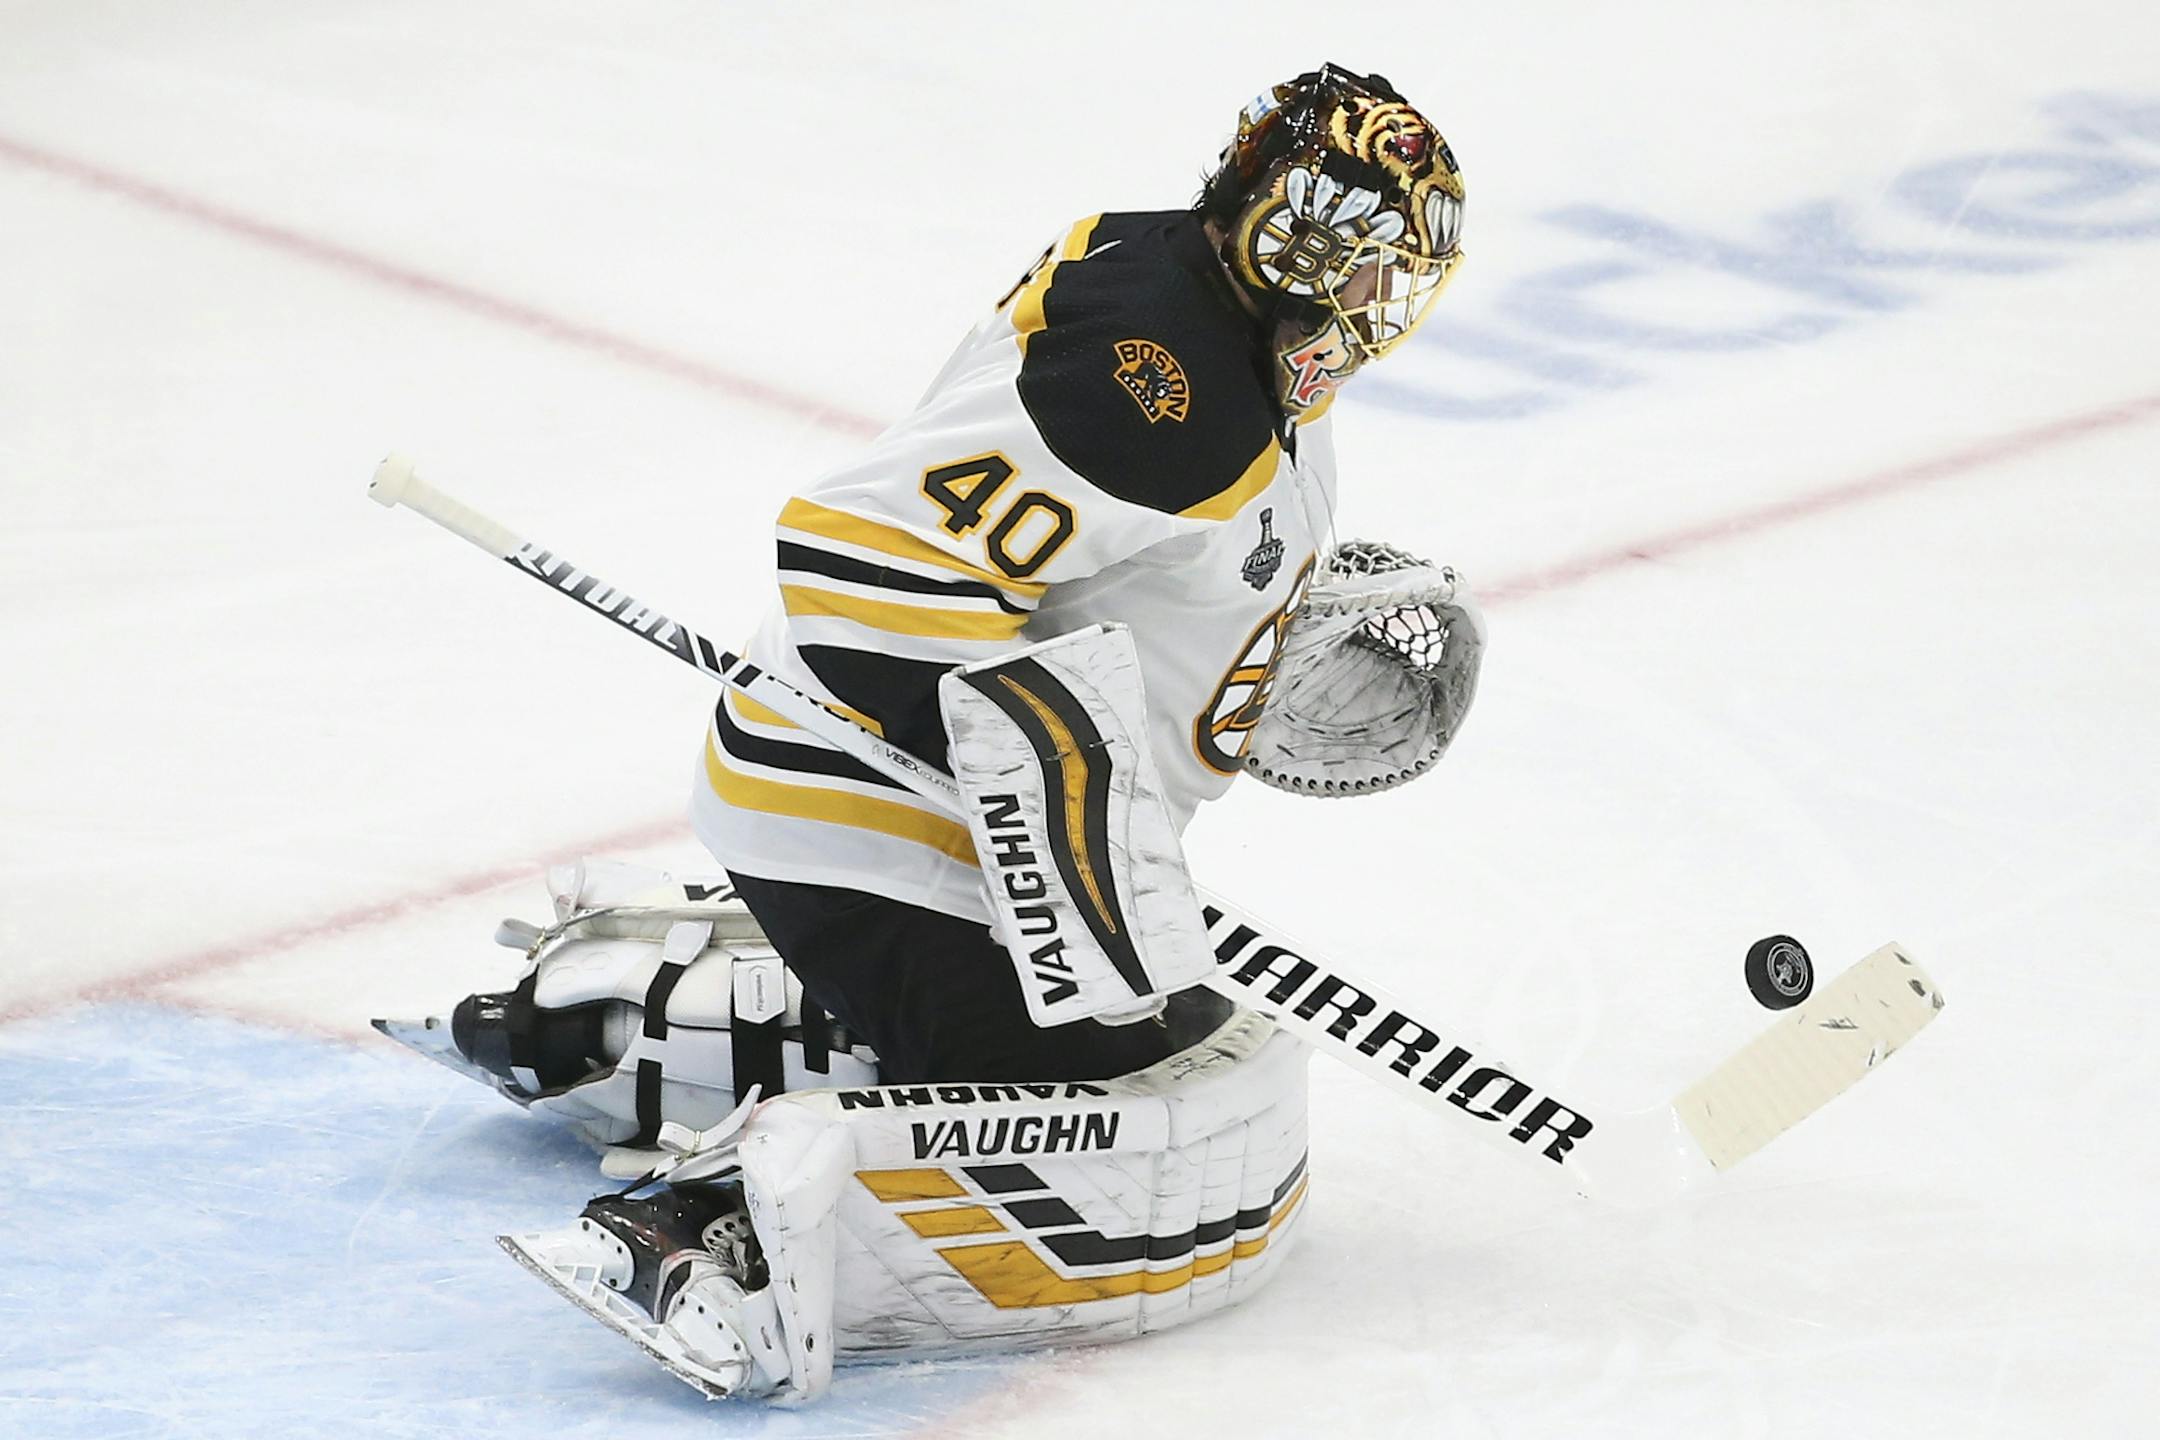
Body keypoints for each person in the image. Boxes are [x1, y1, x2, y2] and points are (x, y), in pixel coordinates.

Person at [426, 65, 1482, 1403]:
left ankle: (653, 1019)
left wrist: (1234, 642)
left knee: (1183, 1050)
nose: (1373, 303)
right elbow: (862, 560)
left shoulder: (1197, 303)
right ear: (1284, 229)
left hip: (939, 831)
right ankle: (714, 1233)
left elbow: (1106, 558)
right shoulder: (1160, 387)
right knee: (1131, 1122)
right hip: (872, 821)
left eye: (1397, 276)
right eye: (1356, 260)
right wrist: (1058, 789)